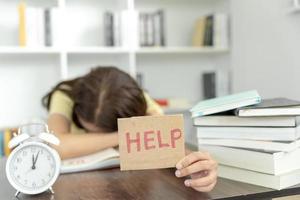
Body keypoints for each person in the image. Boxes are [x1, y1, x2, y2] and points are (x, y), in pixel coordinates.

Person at [42, 66, 217, 192]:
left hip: (129, 184)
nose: (95, 139)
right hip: (76, 185)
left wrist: (196, 166)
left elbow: (166, 141)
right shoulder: (66, 95)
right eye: (90, 132)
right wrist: (124, 134)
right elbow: (55, 145)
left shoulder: (138, 98)